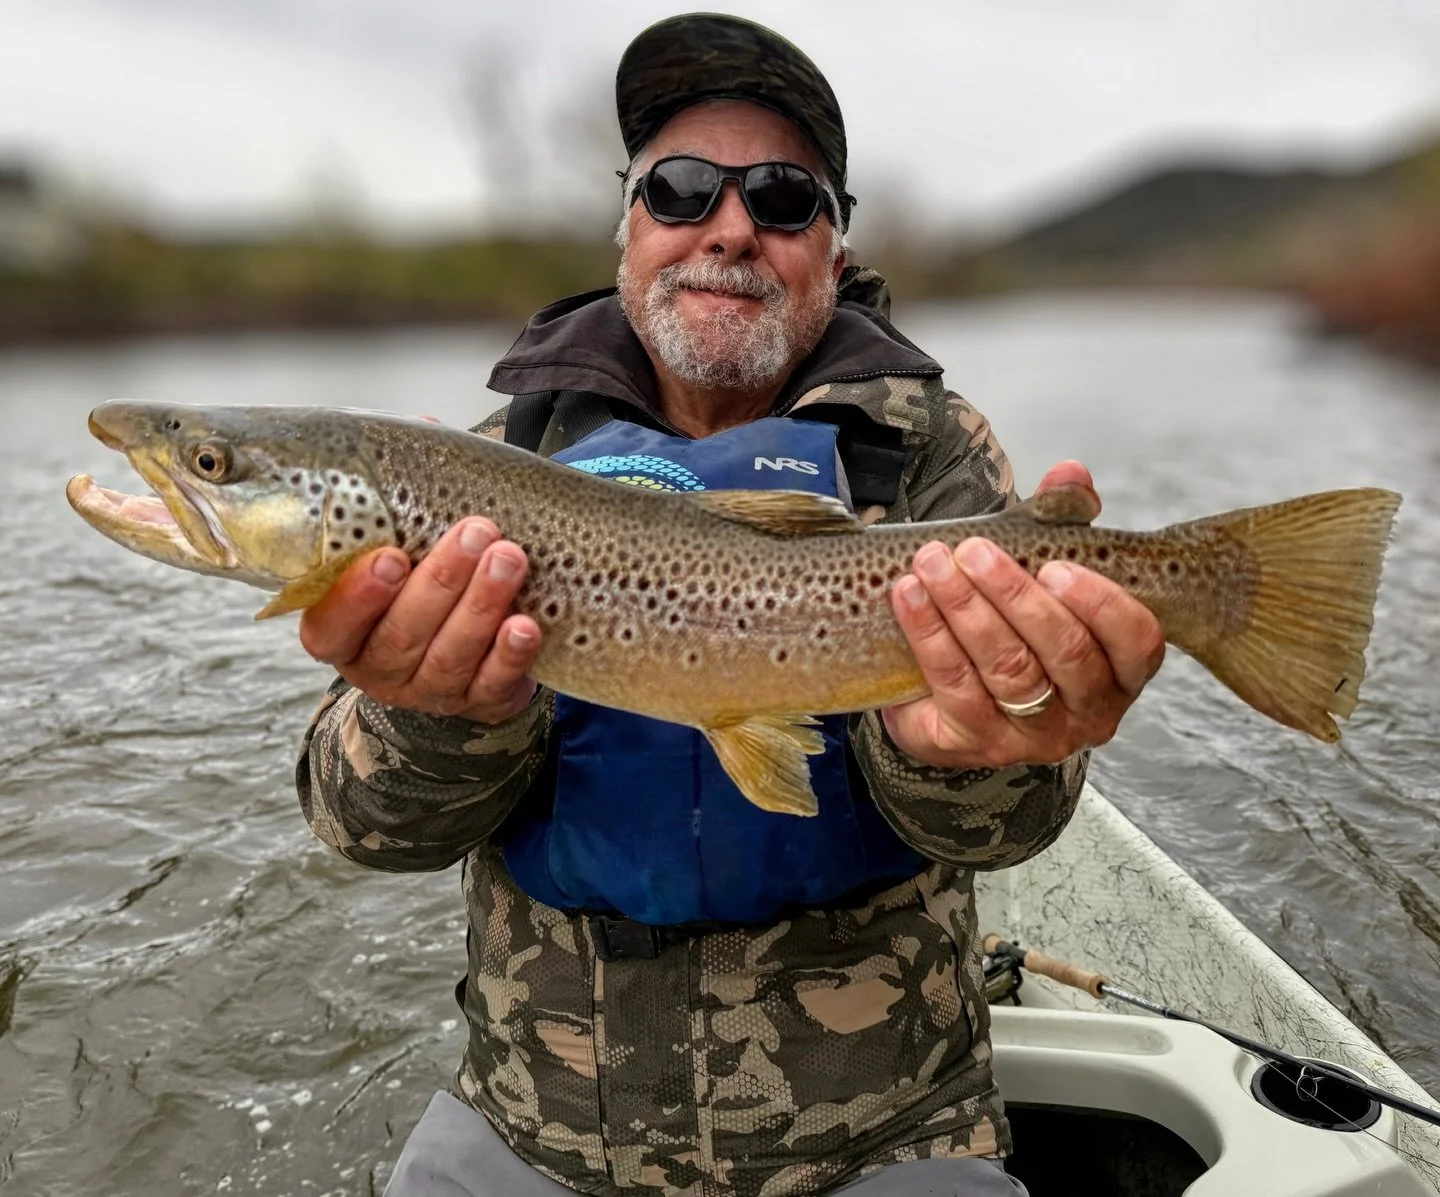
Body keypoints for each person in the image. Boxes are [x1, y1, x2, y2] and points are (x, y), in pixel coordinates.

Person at [294, 13, 1165, 1197]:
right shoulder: (492, 472)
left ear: (835, 250)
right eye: (684, 188)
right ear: (628, 231)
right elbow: (366, 829)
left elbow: (1018, 826)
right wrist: (438, 712)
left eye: (785, 198)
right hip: (536, 1130)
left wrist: (965, 756)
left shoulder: (932, 458)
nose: (732, 226)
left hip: (884, 1129)